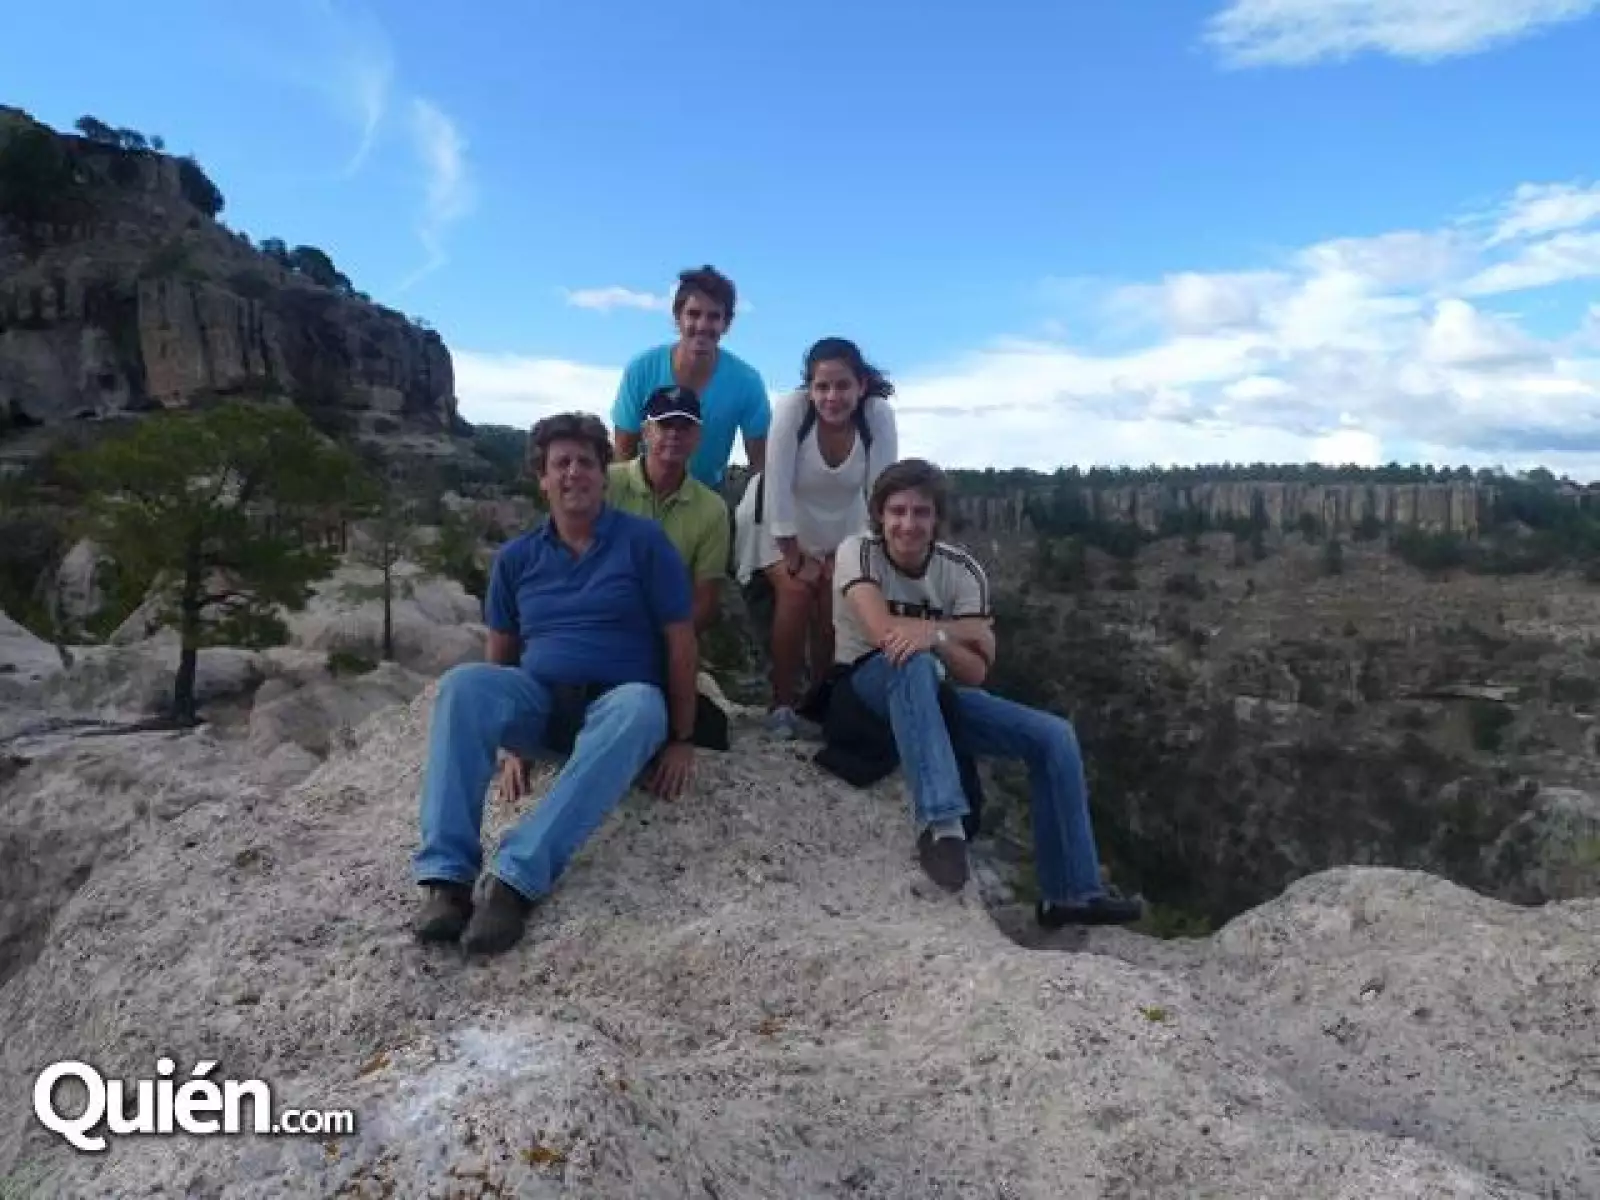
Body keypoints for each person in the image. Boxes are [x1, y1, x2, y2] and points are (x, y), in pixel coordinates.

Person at [410, 412, 700, 956]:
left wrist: (683, 737)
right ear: (541, 478)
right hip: (542, 705)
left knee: (641, 705)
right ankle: (447, 881)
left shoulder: (643, 543)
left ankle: (514, 882)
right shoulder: (516, 559)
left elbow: (681, 643)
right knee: (463, 686)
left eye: (585, 462)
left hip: (617, 709)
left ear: (603, 474)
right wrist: (511, 746)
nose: (573, 473)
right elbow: (502, 654)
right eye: (560, 463)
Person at [829, 457, 1145, 927]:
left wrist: (937, 636)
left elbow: (976, 671)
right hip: (861, 692)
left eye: (921, 512)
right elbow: (883, 634)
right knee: (911, 660)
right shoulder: (858, 552)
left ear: (937, 518)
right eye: (897, 511)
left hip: (935, 695)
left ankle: (1071, 894)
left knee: (1053, 737)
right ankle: (942, 825)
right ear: (879, 515)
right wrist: (958, 632)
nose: (908, 524)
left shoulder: (962, 571)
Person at [733, 337, 898, 737]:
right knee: (796, 591)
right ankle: (782, 704)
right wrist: (793, 556)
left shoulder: (876, 416)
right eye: (822, 387)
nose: (832, 397)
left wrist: (853, 555)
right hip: (773, 519)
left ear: (861, 385)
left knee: (834, 599)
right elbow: (775, 484)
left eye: (842, 386)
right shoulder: (793, 410)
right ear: (809, 388)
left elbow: (881, 494)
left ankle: (823, 701)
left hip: (843, 525)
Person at [611, 265, 771, 490]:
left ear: (726, 323)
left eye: (713, 317)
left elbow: (760, 466)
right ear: (678, 317)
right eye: (694, 314)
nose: (702, 325)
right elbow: (622, 453)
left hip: (708, 495)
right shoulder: (641, 370)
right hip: (643, 492)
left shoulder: (747, 382)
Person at [606, 384, 730, 633]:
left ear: (697, 437)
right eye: (665, 425)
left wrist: (666, 643)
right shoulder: (606, 484)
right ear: (645, 432)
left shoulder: (713, 508)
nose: (674, 434)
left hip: (666, 633)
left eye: (685, 427)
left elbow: (705, 601)